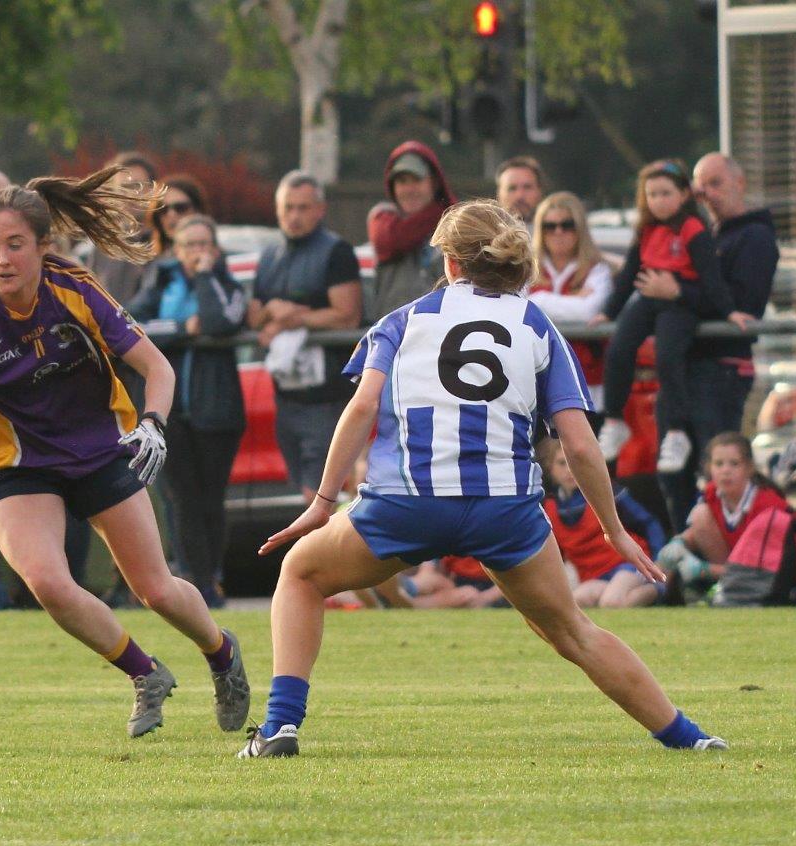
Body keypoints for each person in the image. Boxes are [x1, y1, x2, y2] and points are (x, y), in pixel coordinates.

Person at [239, 199, 726, 759]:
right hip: (505, 511)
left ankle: (279, 729)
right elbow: (580, 443)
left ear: (449, 261)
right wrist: (615, 529)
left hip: (410, 503)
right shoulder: (536, 324)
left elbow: (362, 407)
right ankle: (688, 738)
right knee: (571, 630)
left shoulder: (402, 321)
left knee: (300, 573)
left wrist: (324, 501)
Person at [0, 167, 250, 737]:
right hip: (13, 463)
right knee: (50, 584)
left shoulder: (73, 289)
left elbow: (156, 366)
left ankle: (221, 654)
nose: (2, 259)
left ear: (42, 245)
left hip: (98, 450)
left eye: (15, 245)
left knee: (155, 589)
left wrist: (152, 423)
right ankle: (143, 673)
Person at [645, 153, 780, 532]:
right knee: (673, 473)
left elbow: (742, 307)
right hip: (684, 371)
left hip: (720, 372)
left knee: (719, 474)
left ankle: (730, 562)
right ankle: (688, 561)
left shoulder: (754, 237)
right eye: (699, 186)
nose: (704, 195)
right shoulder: (704, 233)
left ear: (740, 184)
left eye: (715, 184)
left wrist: (678, 292)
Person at [594, 160, 751, 475]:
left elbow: (711, 279)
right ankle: (613, 419)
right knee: (620, 348)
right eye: (652, 195)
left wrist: (729, 310)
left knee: (667, 356)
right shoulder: (647, 229)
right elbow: (628, 276)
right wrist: (607, 311)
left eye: (666, 193)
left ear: (683, 195)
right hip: (649, 298)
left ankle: (677, 432)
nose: (658, 201)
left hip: (679, 305)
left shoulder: (694, 230)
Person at [127, 214, 247, 607]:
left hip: (217, 411)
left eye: (204, 245)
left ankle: (213, 575)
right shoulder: (160, 282)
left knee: (212, 497)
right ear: (176, 251)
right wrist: (182, 329)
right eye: (189, 246)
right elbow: (133, 326)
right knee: (181, 499)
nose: (197, 253)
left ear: (215, 250)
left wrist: (205, 278)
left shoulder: (227, 286)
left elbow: (217, 321)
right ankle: (196, 582)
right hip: (170, 412)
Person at [249, 170, 362, 503]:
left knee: (320, 494)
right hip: (286, 396)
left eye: (302, 207)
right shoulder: (269, 255)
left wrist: (292, 319)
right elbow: (254, 316)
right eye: (288, 207)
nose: (294, 216)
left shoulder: (336, 251)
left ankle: (322, 555)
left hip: (328, 395)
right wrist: (275, 311)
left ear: (320, 209)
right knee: (304, 492)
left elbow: (348, 316)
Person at [657, 433, 796, 602]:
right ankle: (657, 591)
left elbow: (761, 569)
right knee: (700, 514)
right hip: (744, 570)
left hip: (788, 579)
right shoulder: (712, 494)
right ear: (709, 468)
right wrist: (679, 543)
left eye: (734, 464)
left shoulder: (767, 505)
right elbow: (699, 530)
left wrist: (704, 570)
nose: (726, 470)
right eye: (719, 464)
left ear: (749, 468)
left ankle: (728, 588)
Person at [543, 442, 667, 608]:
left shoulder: (605, 492)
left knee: (611, 602)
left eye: (573, 462)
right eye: (562, 463)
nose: (569, 469)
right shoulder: (549, 507)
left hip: (627, 564)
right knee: (578, 601)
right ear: (549, 467)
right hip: (593, 574)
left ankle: (657, 588)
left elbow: (648, 523)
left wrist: (657, 559)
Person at [529, 192, 614, 409]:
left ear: (580, 229)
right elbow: (517, 308)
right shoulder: (526, 270)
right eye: (550, 226)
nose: (558, 232)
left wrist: (536, 301)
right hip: (534, 383)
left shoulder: (598, 269)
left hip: (588, 383)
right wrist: (564, 301)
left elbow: (587, 311)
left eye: (567, 225)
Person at [367, 141, 456, 319]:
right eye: (402, 182)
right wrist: (445, 212)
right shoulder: (383, 218)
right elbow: (393, 240)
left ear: (435, 183)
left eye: (417, 180)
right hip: (394, 334)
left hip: (444, 332)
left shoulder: (456, 224)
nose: (409, 189)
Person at [88, 151, 159, 306]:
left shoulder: (166, 239)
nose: (130, 195)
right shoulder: (103, 246)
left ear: (154, 190)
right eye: (123, 188)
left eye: (137, 186)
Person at [495, 156, 544, 231]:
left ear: (539, 191)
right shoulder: (484, 236)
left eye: (527, 187)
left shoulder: (559, 231)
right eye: (512, 188)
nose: (519, 195)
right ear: (499, 193)